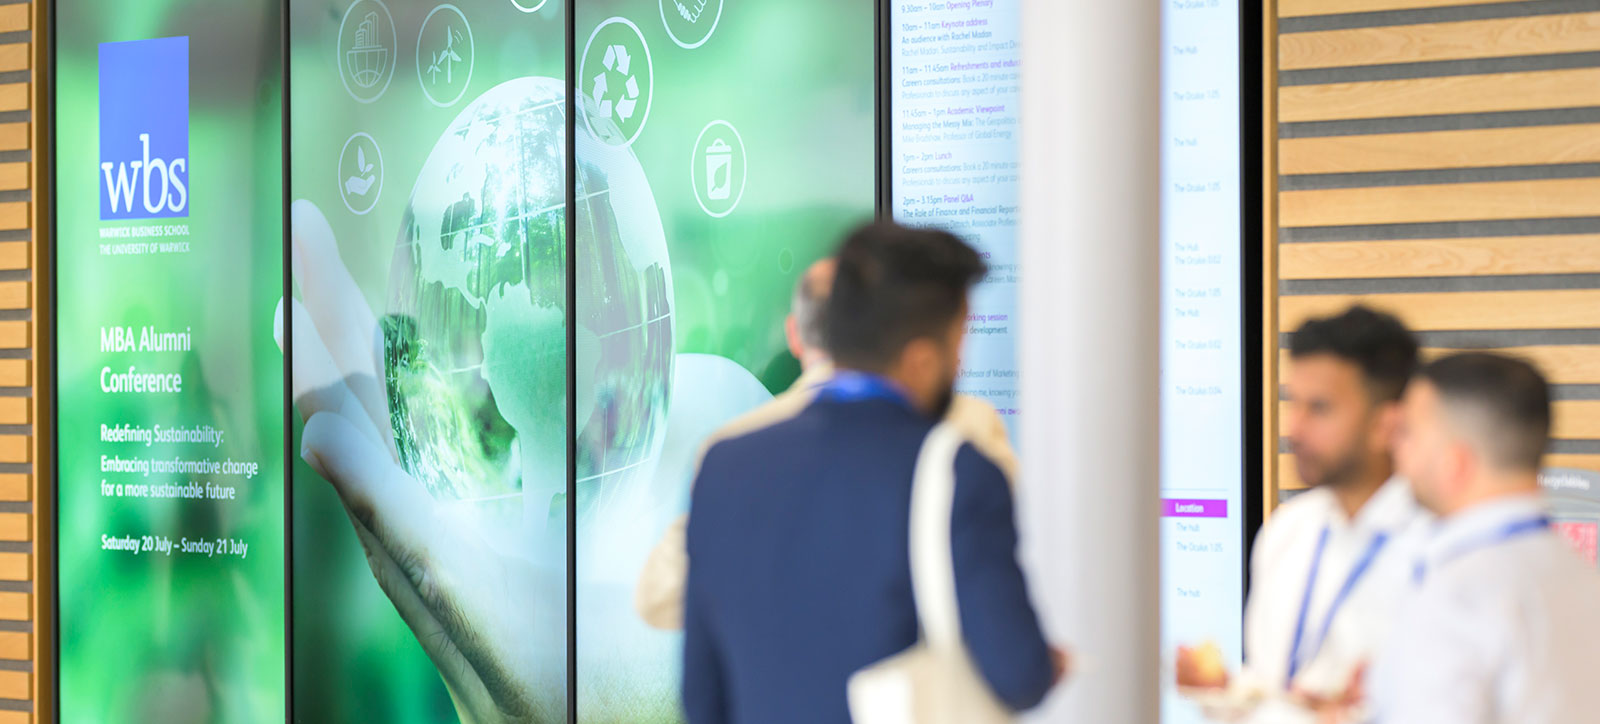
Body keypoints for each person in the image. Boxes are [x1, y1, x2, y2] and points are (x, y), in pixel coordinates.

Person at [679, 223, 1062, 723]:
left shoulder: (725, 468)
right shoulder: (960, 474)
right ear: (922, 359)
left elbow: (702, 698)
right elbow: (1019, 673)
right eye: (958, 343)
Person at [633, 256, 1017, 630]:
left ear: (794, 335)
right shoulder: (968, 423)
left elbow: (660, 596)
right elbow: (1016, 557)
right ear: (877, 329)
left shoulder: (737, 448)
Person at [1177, 306, 1429, 720]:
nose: (1295, 427)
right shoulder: (1288, 531)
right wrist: (1225, 693)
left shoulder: (1440, 549)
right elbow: (1274, 691)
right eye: (1294, 403)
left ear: (1385, 423)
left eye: (1320, 408)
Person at [1370, 352, 1600, 723]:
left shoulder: (1456, 595)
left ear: (1454, 462)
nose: (1394, 449)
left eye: (1407, 433)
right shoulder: (1581, 575)